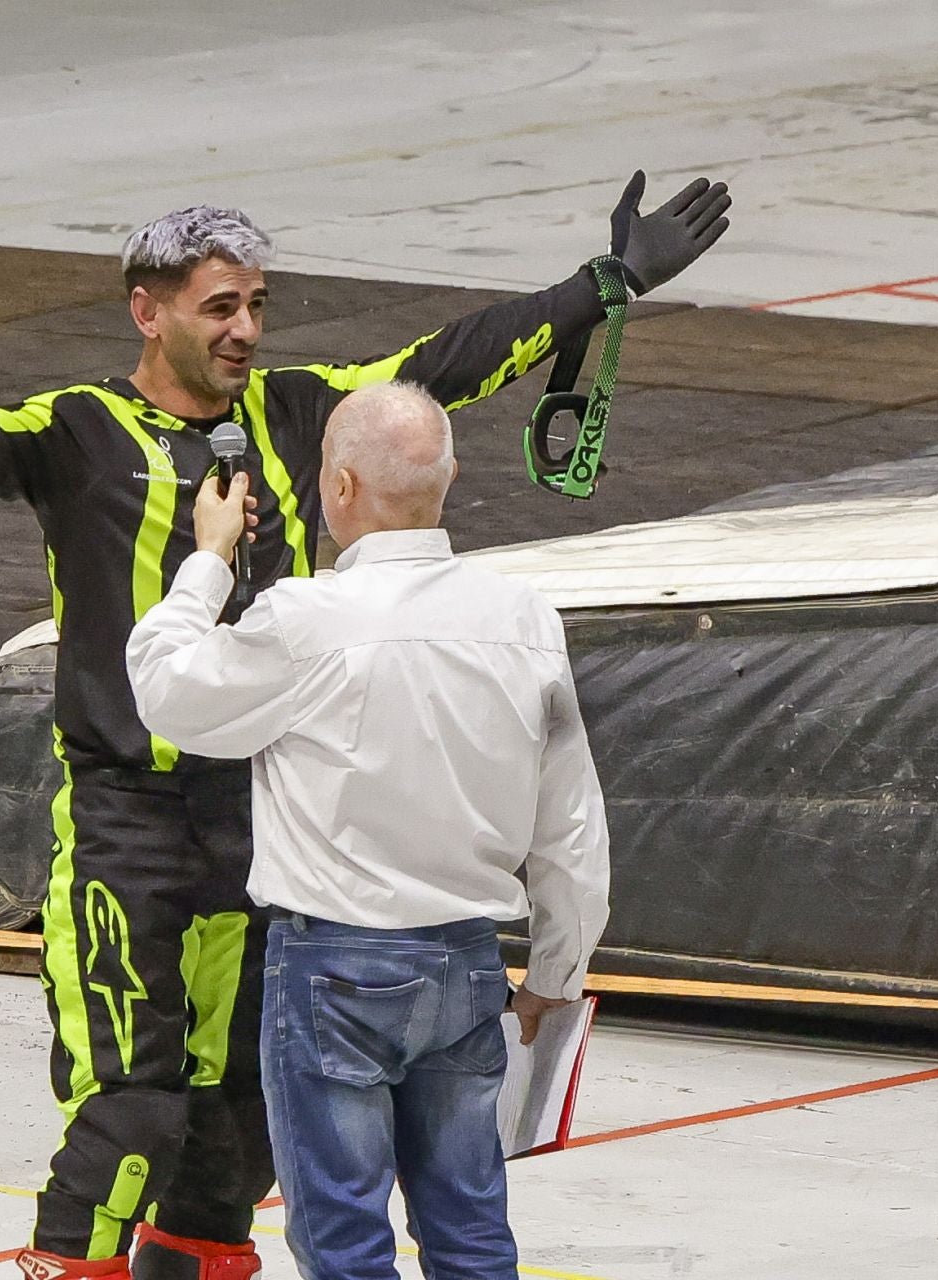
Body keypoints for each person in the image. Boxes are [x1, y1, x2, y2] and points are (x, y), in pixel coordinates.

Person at [0, 178, 723, 1280]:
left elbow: (449, 362)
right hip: (123, 822)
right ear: (149, 311)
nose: (244, 329)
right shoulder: (77, 428)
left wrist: (603, 285)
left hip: (256, 821)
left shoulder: (296, 409)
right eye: (219, 307)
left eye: (256, 305)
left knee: (241, 1125)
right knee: (129, 1112)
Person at [124, 380, 610, 1280]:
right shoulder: (525, 621)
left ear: (337, 488)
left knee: (344, 1242)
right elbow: (570, 823)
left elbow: (167, 691)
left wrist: (208, 562)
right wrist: (558, 970)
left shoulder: (307, 622)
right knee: (470, 1230)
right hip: (467, 965)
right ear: (451, 477)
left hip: (333, 968)